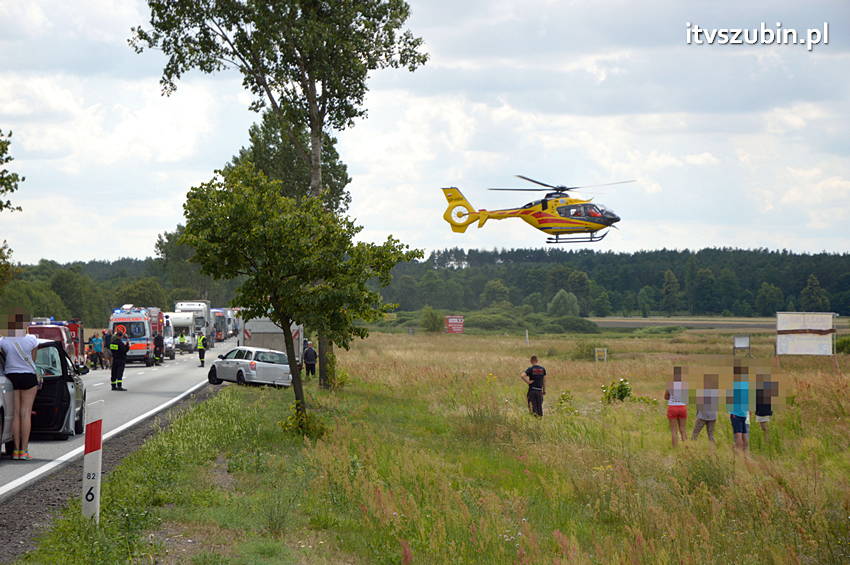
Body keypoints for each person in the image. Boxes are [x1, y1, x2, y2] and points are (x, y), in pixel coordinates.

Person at [0, 325, 40, 460]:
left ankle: (15, 450)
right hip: (28, 376)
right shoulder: (32, 339)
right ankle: (24, 450)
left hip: (11, 376)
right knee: (25, 413)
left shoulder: (3, 340)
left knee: (15, 414)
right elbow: (33, 360)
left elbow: (4, 358)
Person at [664, 366, 688, 447]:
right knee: (683, 429)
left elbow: (666, 397)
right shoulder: (685, 385)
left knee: (674, 430)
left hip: (672, 407)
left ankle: (675, 448)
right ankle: (687, 448)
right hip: (682, 407)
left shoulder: (670, 384)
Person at [692, 373, 719, 443]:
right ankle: (713, 450)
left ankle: (692, 448)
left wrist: (697, 414)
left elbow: (698, 405)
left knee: (695, 434)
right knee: (711, 435)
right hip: (713, 416)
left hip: (702, 416)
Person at [728, 365, 750, 451]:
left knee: (738, 436)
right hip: (744, 414)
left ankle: (739, 455)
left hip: (736, 414)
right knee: (745, 436)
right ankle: (745, 455)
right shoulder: (746, 385)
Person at [755, 373, 776, 441]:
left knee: (764, 428)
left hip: (763, 411)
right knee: (763, 427)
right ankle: (767, 440)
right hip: (764, 410)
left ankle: (767, 440)